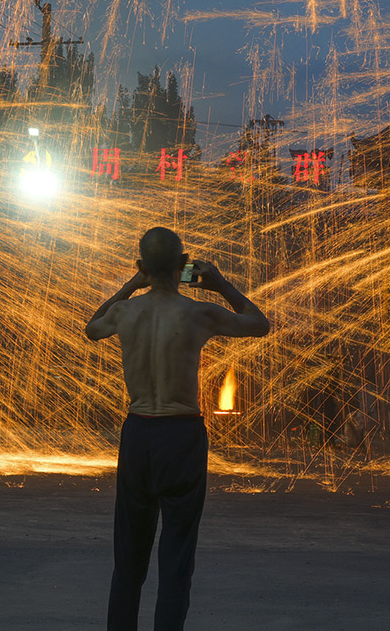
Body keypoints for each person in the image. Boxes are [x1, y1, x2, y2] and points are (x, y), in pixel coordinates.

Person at [86, 227, 270, 631]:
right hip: (180, 434)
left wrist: (132, 284)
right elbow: (259, 324)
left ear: (142, 267)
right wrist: (221, 284)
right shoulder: (197, 313)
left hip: (138, 434)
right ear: (183, 266)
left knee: (128, 561)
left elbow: (92, 326)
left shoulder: (125, 312)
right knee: (176, 559)